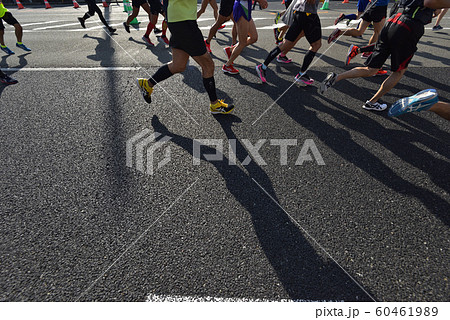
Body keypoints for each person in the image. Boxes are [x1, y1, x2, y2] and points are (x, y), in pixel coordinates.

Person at [320, 0, 435, 112]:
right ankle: (372, 101)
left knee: (370, 66)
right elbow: (432, 7)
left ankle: (338, 75)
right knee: (398, 71)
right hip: (400, 21)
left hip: (391, 17)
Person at [136, 0, 235, 115]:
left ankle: (147, 84)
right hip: (183, 21)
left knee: (178, 65)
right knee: (208, 64)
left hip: (178, 19)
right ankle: (215, 105)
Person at [256, 0, 322, 85]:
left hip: (299, 12)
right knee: (316, 45)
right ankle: (301, 74)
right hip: (308, 15)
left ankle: (263, 66)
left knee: (285, 44)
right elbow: (311, 1)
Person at [222, 0, 268, 75]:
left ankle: (231, 50)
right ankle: (227, 65)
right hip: (241, 8)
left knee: (254, 38)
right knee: (242, 43)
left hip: (246, 8)